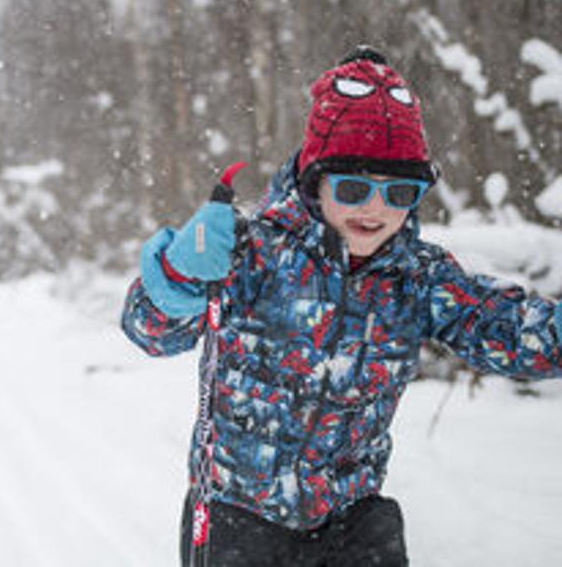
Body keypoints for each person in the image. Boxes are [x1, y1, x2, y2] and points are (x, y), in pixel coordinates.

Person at [121, 47, 562, 566]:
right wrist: (179, 274)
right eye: (354, 188)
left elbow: (510, 331)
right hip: (238, 512)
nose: (375, 208)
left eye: (400, 192)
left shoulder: (419, 277)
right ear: (315, 182)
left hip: (350, 518)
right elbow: (150, 330)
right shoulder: (252, 253)